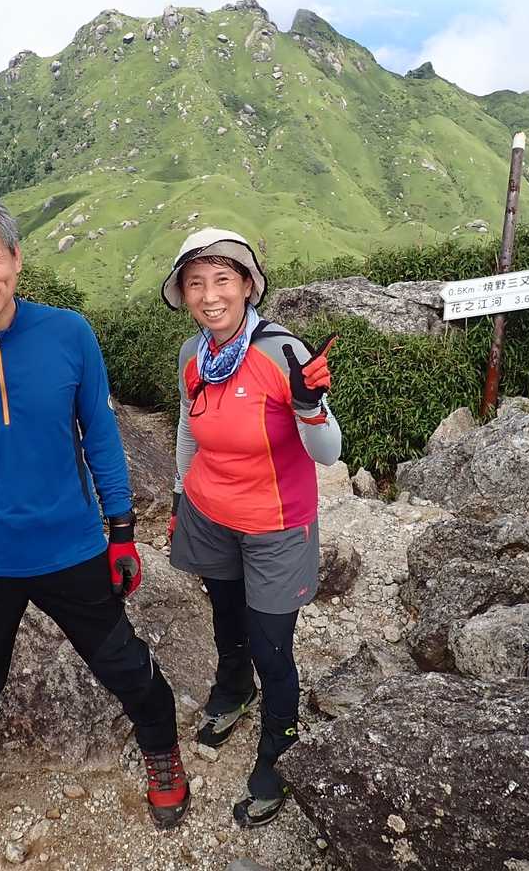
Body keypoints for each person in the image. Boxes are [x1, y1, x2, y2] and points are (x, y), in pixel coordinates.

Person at [0, 191, 190, 860]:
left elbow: (101, 436)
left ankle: (161, 748)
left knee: (121, 661)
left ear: (15, 258)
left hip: (72, 546)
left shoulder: (69, 334)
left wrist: (122, 532)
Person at [161, 227, 341, 828]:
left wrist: (309, 405)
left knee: (272, 644)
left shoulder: (283, 352)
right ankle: (234, 687)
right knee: (226, 615)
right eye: (195, 284)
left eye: (222, 280)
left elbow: (328, 453)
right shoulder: (192, 355)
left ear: (247, 285)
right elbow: (188, 425)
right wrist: (181, 494)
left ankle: (279, 744)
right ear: (183, 295)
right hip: (210, 511)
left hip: (275, 523)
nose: (209, 295)